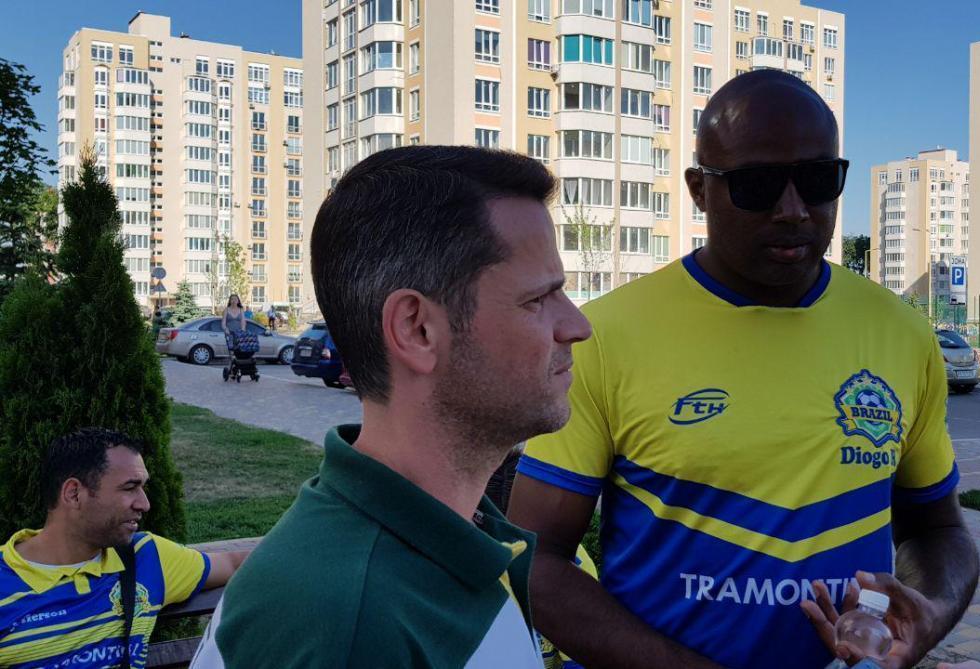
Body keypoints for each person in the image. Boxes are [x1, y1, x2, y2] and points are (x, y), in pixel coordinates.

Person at [509, 70, 979, 669]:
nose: (793, 210)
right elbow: (536, 561)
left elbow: (937, 529)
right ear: (699, 190)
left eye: (818, 180)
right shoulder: (605, 336)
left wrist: (932, 610)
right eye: (757, 185)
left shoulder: (903, 334)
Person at [189, 145, 591, 668]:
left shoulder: (453, 537)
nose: (578, 326)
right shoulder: (352, 624)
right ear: (417, 329)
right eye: (537, 299)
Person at [0, 428, 248, 668]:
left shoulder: (146, 558)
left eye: (143, 488)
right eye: (130, 487)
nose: (145, 504)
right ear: (74, 494)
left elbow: (236, 564)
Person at [221, 295, 246, 372]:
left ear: (238, 301)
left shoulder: (241, 310)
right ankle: (231, 367)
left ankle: (238, 366)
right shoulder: (226, 310)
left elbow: (243, 322)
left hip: (239, 334)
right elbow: (223, 323)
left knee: (239, 351)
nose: (234, 301)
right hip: (230, 334)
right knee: (231, 351)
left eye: (235, 299)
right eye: (232, 299)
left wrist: (243, 330)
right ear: (230, 301)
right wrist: (225, 329)